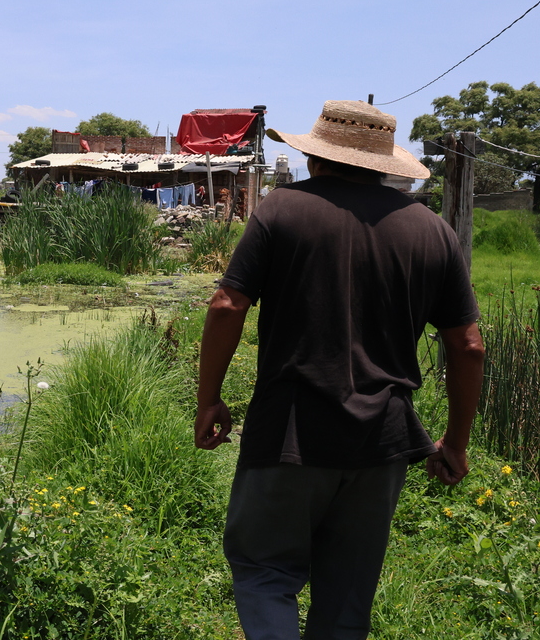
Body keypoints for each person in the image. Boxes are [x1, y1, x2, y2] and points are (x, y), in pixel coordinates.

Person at [194, 99, 484, 640]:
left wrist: (208, 398)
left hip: (289, 432)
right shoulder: (430, 229)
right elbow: (467, 346)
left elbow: (225, 306)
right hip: (383, 440)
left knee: (265, 571)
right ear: (383, 164)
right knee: (347, 602)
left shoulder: (282, 209)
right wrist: (457, 441)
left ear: (314, 156)